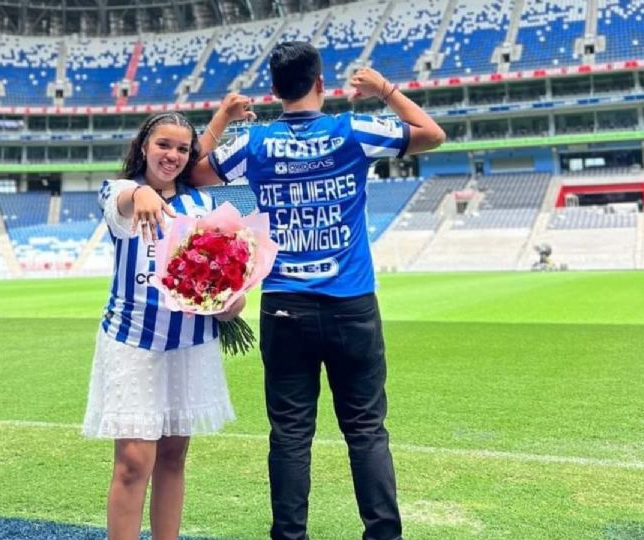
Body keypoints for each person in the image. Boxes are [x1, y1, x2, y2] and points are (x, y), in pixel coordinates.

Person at [190, 42, 446, 540]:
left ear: (273, 90)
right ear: (322, 85)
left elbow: (195, 173)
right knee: (366, 430)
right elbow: (432, 134)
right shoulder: (350, 130)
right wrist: (385, 90)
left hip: (285, 305)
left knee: (289, 435)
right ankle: (383, 535)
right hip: (351, 305)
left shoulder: (255, 143)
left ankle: (289, 535)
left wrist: (222, 116)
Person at [81, 97, 255, 540]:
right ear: (144, 146)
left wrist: (231, 303)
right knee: (134, 461)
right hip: (134, 340)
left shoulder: (203, 203)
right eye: (163, 144)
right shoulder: (117, 191)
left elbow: (225, 275)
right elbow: (120, 197)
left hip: (191, 343)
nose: (172, 155)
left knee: (174, 456)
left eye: (181, 149)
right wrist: (139, 190)